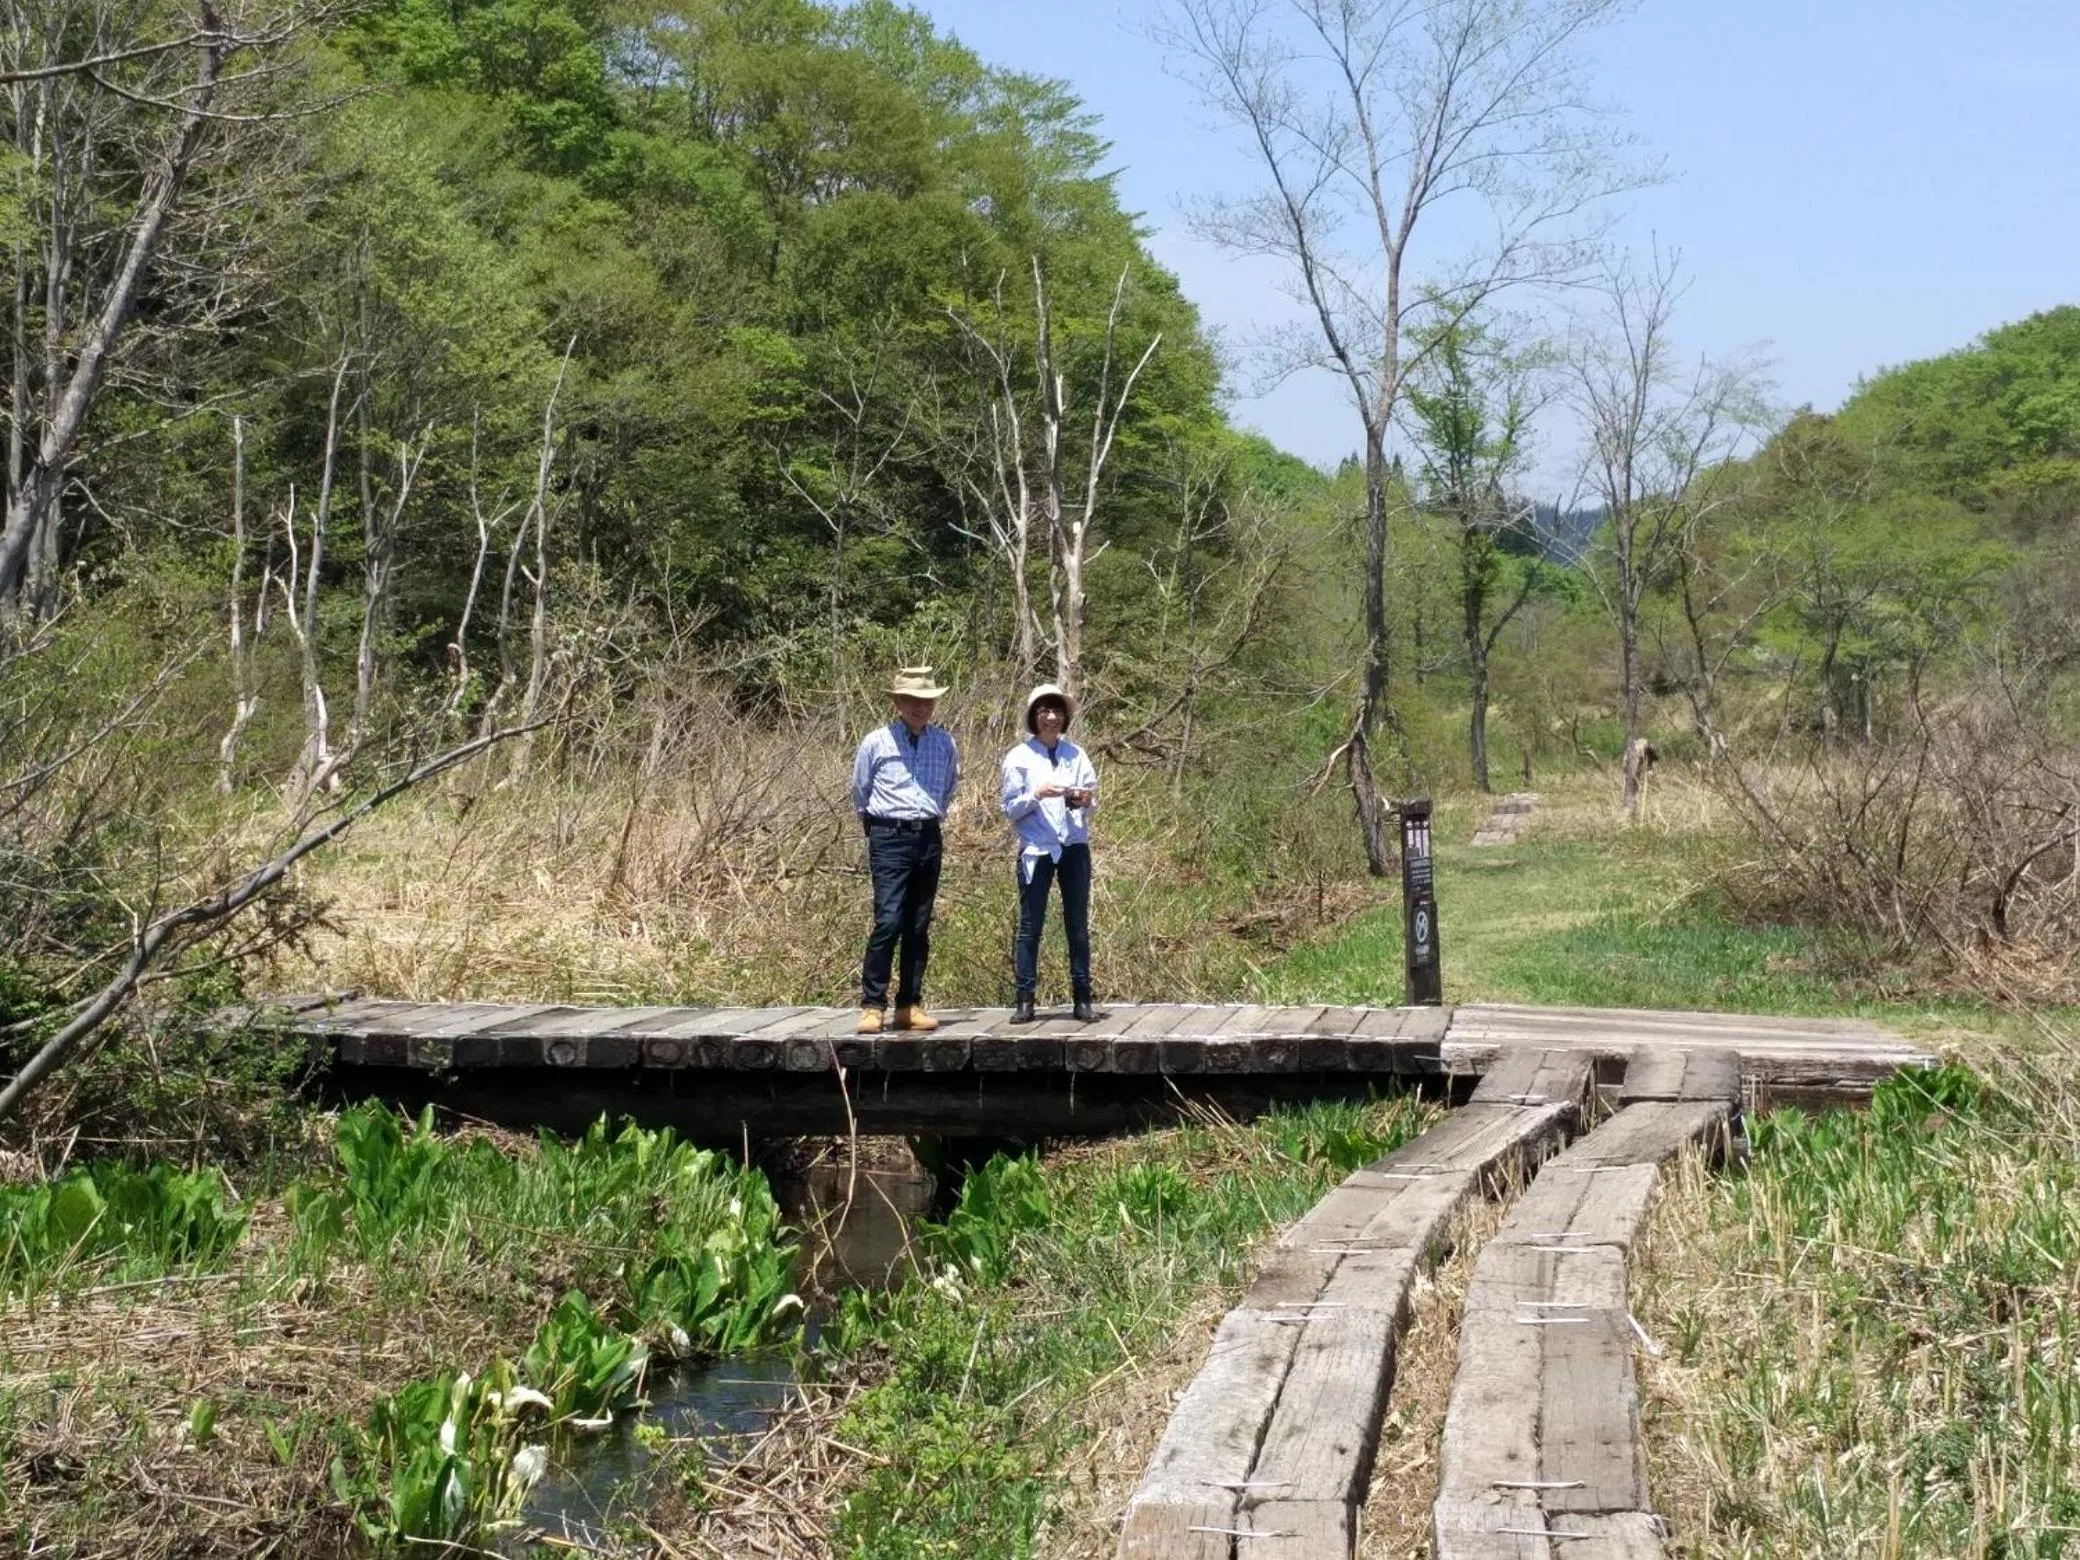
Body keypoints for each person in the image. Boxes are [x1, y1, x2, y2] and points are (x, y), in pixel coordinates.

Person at [851, 666, 959, 1034]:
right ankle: (872, 1005)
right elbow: (860, 791)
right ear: (897, 703)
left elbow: (947, 788)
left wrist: (927, 819)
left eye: (926, 700)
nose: (919, 706)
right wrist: (881, 827)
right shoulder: (876, 742)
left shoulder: (944, 742)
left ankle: (909, 1005)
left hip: (928, 835)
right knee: (888, 920)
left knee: (918, 924)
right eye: (911, 700)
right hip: (888, 835)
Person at [1000, 683, 1100, 1024]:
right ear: (1034, 716)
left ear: (1065, 717)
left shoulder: (1077, 755)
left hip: (1074, 846)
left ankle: (1082, 998)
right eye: (1044, 711)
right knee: (1030, 926)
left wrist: (1085, 801)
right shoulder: (1018, 758)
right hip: (1036, 849)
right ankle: (1025, 1000)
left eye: (1057, 711)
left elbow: (1092, 799)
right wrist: (1037, 794)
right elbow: (1010, 808)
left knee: (1078, 926)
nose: (1051, 717)